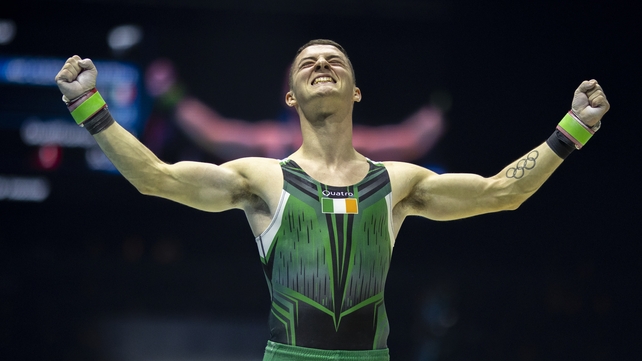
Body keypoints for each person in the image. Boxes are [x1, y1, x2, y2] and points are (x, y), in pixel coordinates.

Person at [55, 39, 609, 361]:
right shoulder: (261, 177)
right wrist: (88, 106)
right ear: (291, 96)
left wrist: (574, 128)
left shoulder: (398, 181)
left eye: (335, 61)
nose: (322, 64)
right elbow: (156, 176)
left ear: (356, 91)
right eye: (308, 63)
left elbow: (502, 193)